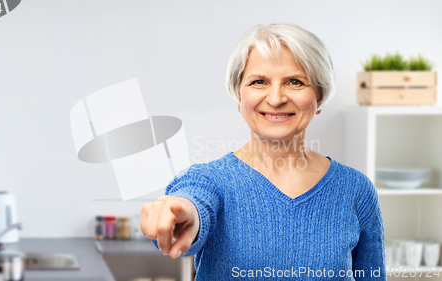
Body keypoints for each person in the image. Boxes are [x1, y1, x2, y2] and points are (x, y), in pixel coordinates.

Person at [140, 22, 386, 280]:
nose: (276, 98)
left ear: (320, 96)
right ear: (238, 95)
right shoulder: (210, 181)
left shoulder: (356, 189)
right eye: (259, 82)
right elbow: (193, 202)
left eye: (295, 82)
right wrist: (181, 213)